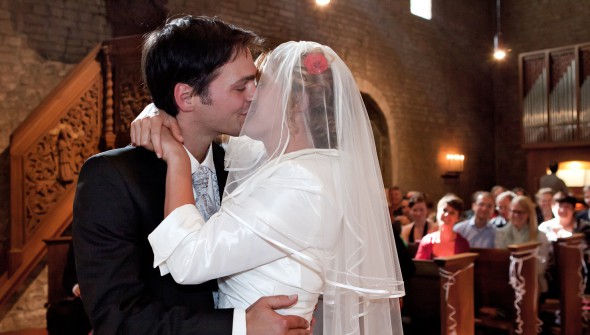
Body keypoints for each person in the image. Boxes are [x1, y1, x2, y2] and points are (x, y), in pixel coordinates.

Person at [138, 41, 405, 334]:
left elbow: (188, 261)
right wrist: (156, 110)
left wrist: (176, 157)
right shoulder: (297, 165)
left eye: (260, 85)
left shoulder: (301, 181)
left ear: (298, 100)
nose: (249, 95)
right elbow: (201, 120)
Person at [73, 16, 311, 335]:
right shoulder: (112, 178)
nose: (256, 94)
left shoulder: (242, 166)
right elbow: (118, 318)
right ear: (186, 97)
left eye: (255, 80)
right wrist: (239, 326)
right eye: (241, 86)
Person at [495, 195, 550, 293]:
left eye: (520, 212)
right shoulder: (500, 233)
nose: (516, 215)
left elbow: (541, 267)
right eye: (514, 211)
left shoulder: (540, 236)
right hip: (506, 282)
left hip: (533, 284)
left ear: (528, 214)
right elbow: (499, 260)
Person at [415, 194, 470, 260]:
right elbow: (419, 267)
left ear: (457, 218)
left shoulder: (462, 244)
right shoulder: (427, 241)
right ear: (437, 212)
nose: (447, 215)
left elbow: (465, 268)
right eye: (444, 210)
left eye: (452, 213)